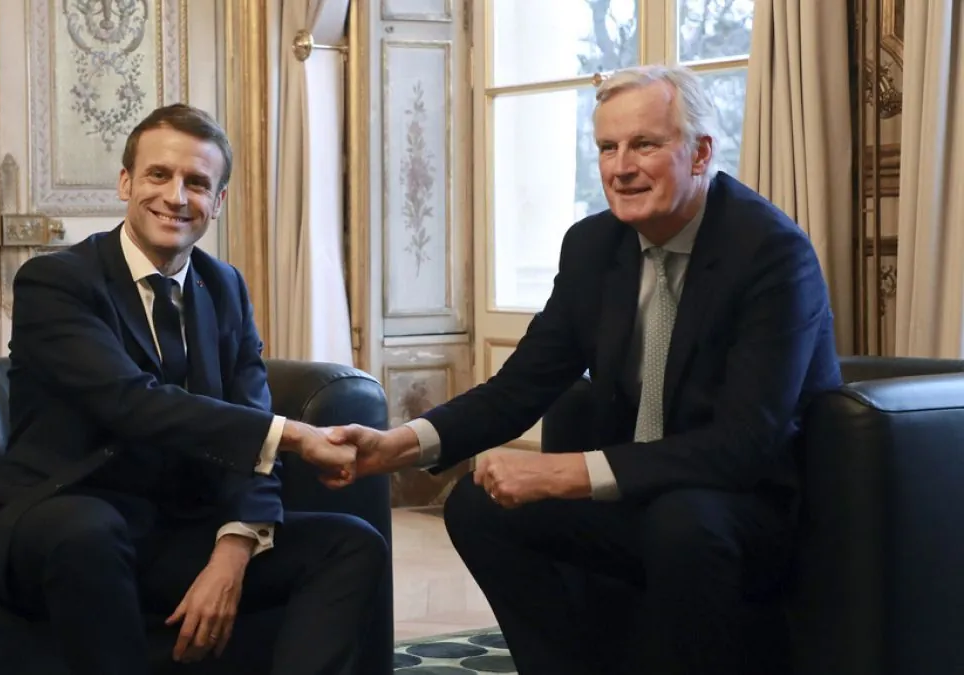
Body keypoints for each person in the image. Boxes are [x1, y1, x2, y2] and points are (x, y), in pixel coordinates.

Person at [326, 64, 842, 675]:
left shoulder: (770, 252)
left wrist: (568, 473)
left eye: (644, 144)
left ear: (700, 152)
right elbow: (520, 387)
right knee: (477, 506)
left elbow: (743, 446)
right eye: (607, 147)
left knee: (681, 523)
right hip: (641, 494)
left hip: (747, 509)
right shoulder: (594, 246)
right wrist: (400, 445)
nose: (620, 167)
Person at [0, 103, 386, 675]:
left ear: (217, 202)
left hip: (171, 530)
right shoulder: (57, 281)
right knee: (86, 532)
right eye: (158, 175)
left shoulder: (224, 287)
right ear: (126, 182)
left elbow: (249, 417)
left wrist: (233, 549)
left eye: (197, 183)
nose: (176, 196)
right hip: (63, 513)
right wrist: (295, 435)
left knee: (352, 543)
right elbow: (131, 402)